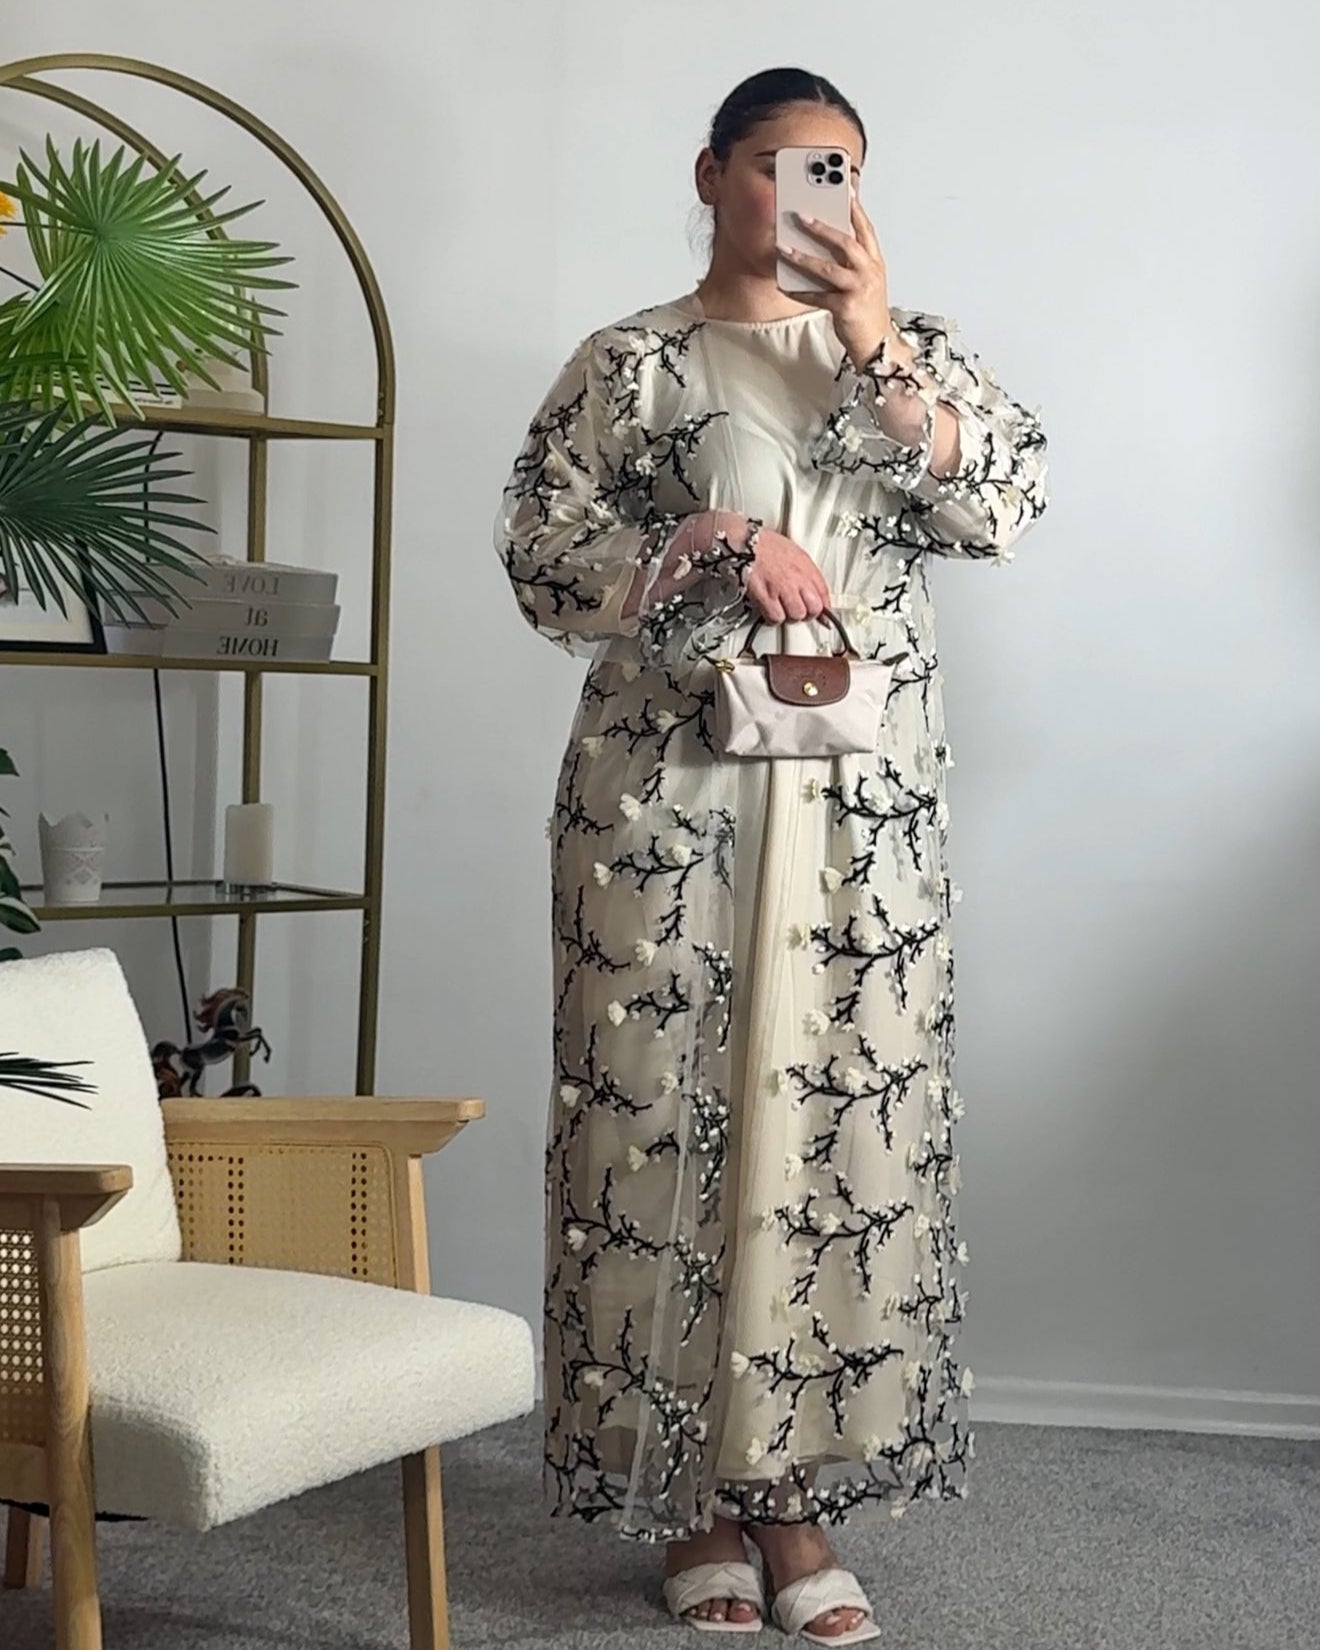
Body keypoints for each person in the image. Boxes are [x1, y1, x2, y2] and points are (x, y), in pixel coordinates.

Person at [494, 65, 1049, 1642]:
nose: (814, 194)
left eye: (841, 169)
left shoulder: (908, 357)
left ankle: (798, 1510)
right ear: (712, 171)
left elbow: (1004, 505)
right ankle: (693, 1503)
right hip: (665, 804)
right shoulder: (636, 363)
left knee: (831, 1134)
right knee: (665, 1119)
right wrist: (712, 543)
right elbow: (542, 552)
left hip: (860, 824)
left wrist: (876, 347)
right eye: (784, 163)